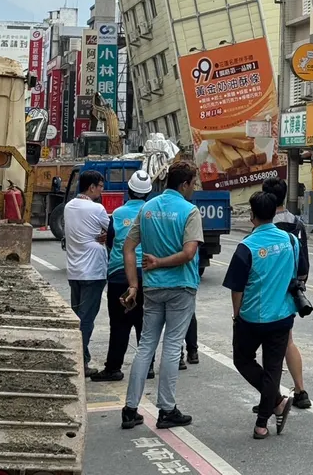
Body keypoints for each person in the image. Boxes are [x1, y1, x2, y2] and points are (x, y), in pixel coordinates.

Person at [120, 161, 203, 431]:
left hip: (152, 289)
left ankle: (130, 409)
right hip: (181, 287)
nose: (194, 188)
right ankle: (167, 409)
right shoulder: (190, 211)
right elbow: (189, 253)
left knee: (145, 346)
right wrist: (161, 263)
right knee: (170, 347)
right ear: (184, 184)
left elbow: (128, 247)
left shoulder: (146, 209)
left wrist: (133, 284)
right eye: (193, 183)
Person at [224, 190, 297, 440]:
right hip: (283, 314)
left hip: (252, 317)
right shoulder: (290, 240)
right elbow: (299, 272)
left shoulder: (246, 247)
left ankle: (272, 407)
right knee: (273, 367)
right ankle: (264, 419)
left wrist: (236, 315)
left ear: (252, 216)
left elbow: (237, 288)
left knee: (243, 360)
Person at [91, 168, 154, 382]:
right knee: (144, 322)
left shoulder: (117, 214)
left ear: (128, 192)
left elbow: (110, 242)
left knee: (119, 323)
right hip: (147, 273)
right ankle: (148, 365)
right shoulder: (151, 213)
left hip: (119, 273)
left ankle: (113, 367)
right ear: (148, 194)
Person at [262, 177, 311, 409]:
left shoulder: (263, 224)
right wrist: (299, 287)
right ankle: (301, 391)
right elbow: (304, 266)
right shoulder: (297, 224)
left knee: (270, 345)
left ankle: (272, 397)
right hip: (290, 290)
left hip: (265, 292)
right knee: (287, 340)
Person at [63, 169, 110, 377]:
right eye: (100, 186)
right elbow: (113, 231)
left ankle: (82, 357)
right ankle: (77, 361)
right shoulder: (97, 209)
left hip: (75, 271)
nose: (102, 190)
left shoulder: (69, 206)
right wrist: (103, 235)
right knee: (87, 320)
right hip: (93, 271)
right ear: (91, 187)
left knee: (78, 316)